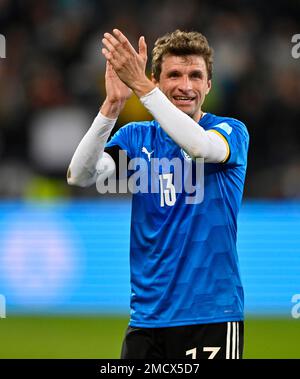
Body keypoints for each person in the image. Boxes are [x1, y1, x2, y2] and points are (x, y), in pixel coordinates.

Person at [67, 29, 249, 359]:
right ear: (158, 79)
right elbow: (79, 175)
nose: (186, 86)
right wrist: (113, 104)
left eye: (196, 75)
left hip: (211, 316)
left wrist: (143, 89)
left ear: (209, 85)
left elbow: (197, 147)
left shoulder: (230, 131)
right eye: (174, 75)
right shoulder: (136, 138)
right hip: (147, 320)